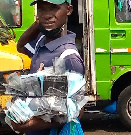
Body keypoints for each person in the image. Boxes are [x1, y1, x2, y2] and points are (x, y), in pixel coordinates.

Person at [13, 0, 85, 134]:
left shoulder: (68, 57)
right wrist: (40, 22)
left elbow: (77, 110)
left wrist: (26, 125)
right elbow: (21, 46)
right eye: (42, 8)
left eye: (54, 8)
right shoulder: (41, 41)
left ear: (69, 10)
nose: (47, 14)